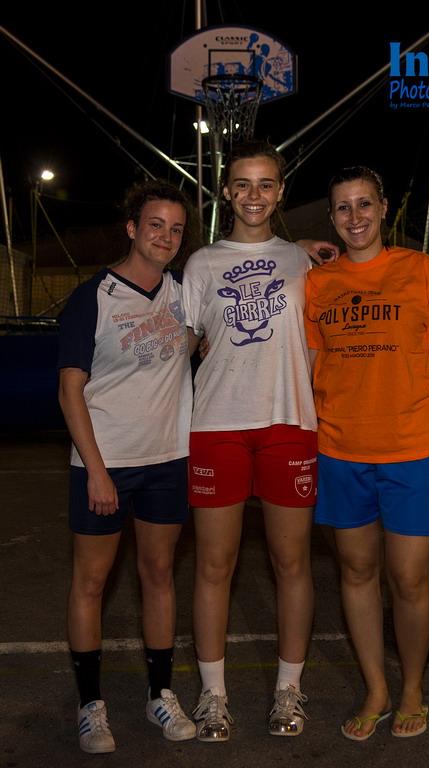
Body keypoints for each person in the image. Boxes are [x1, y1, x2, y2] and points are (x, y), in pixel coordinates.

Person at [304, 166, 429, 740]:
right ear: (331, 217)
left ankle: (412, 688)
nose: (355, 217)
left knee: (410, 578)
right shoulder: (317, 283)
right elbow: (307, 364)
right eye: (343, 207)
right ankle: (376, 687)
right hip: (339, 449)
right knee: (356, 571)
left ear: (383, 208)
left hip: (414, 448)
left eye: (364, 204)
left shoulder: (421, 270)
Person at [182, 140, 336, 741]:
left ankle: (288, 689)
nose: (254, 195)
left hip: (288, 423)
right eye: (242, 184)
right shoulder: (201, 264)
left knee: (291, 563)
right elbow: (181, 348)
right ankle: (212, 695)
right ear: (226, 191)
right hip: (216, 424)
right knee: (214, 565)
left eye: (265, 184)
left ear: (280, 191)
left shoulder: (303, 262)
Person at [58, 180, 200, 753]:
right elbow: (70, 391)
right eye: (155, 224)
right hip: (106, 462)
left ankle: (159, 694)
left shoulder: (185, 292)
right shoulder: (92, 297)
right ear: (132, 227)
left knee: (159, 575)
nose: (165, 236)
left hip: (168, 458)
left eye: (176, 228)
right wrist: (96, 470)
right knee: (91, 582)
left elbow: (244, 272)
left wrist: (304, 247)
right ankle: (91, 706)